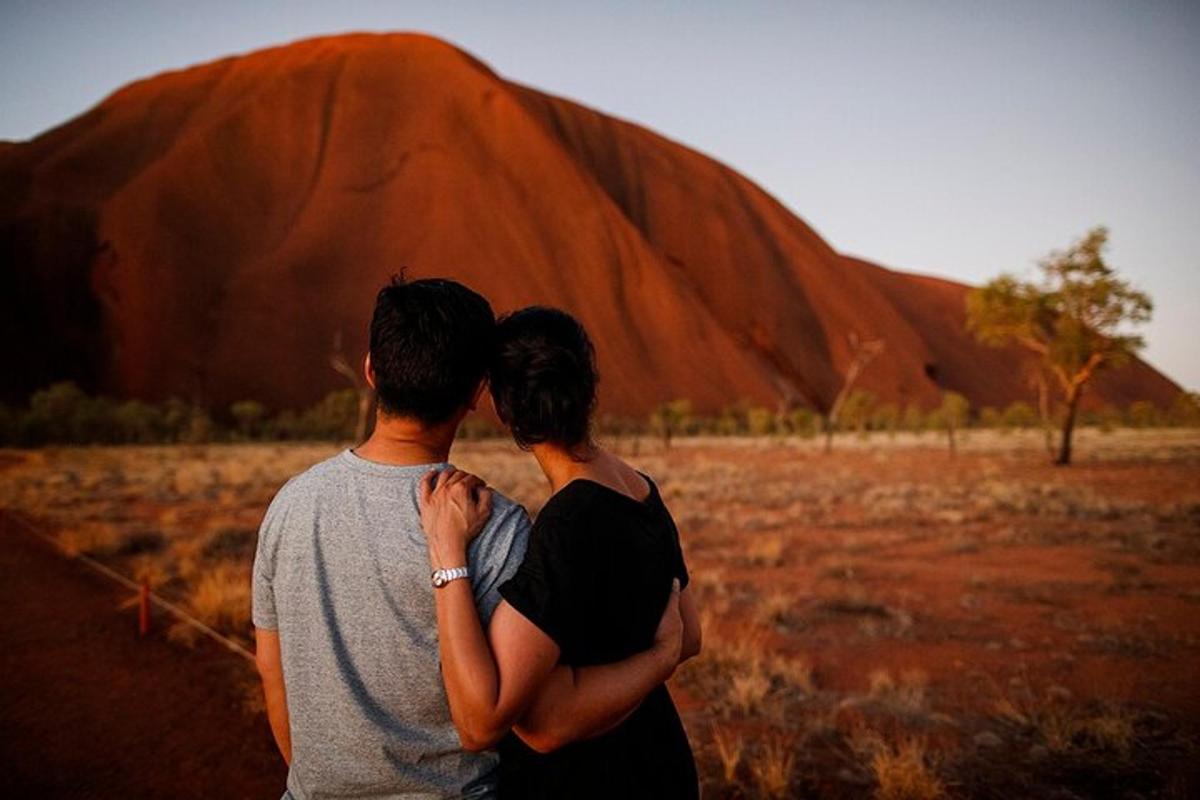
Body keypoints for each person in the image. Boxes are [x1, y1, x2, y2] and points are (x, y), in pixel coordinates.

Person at [252, 278, 684, 800]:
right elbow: (524, 718)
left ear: (370, 369)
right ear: (476, 394)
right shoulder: (495, 526)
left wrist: (316, 784)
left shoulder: (288, 506)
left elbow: (270, 666)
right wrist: (662, 655)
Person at [418, 305, 702, 799]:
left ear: (506, 412)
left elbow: (532, 724)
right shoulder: (642, 492)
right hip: (662, 764)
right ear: (590, 387)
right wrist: (658, 657)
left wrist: (448, 553)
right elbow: (690, 634)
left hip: (592, 781)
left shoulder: (568, 524)